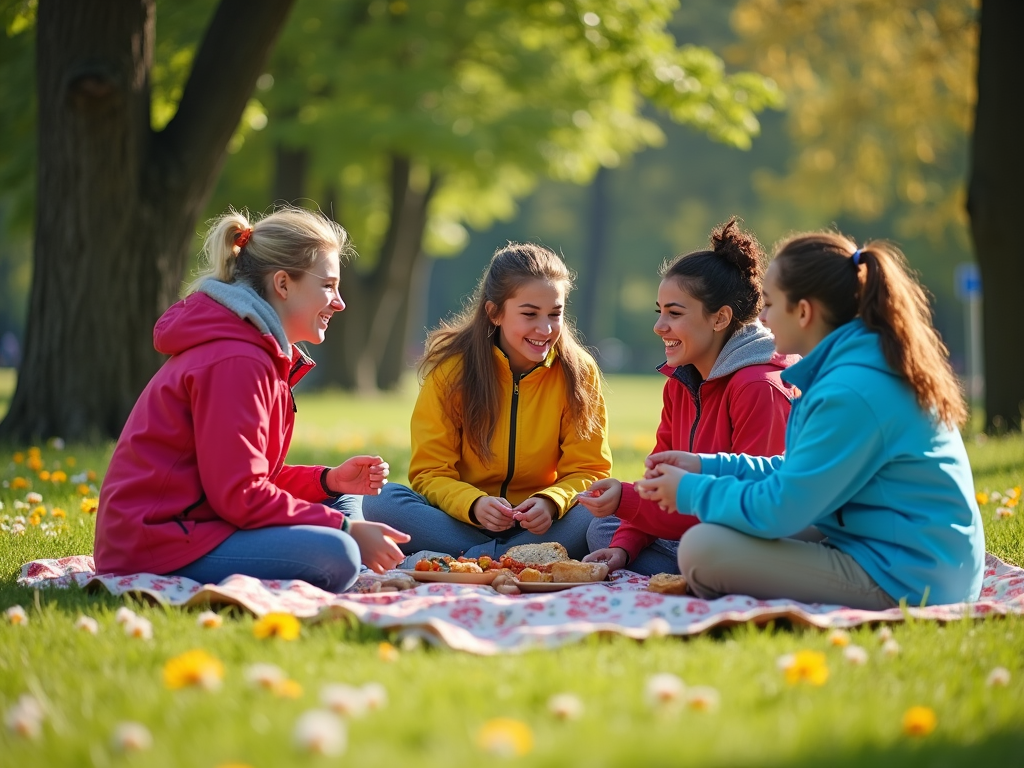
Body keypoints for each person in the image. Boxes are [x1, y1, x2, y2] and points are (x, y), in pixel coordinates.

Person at [635, 231, 985, 608]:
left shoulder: (850, 390)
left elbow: (781, 509)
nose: (762, 318)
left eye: (769, 304)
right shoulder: (852, 368)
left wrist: (689, 491)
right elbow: (799, 471)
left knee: (703, 549)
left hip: (913, 579)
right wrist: (706, 465)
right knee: (720, 529)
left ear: (803, 312)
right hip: (902, 554)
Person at [94, 207, 409, 592]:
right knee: (339, 552)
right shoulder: (237, 360)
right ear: (283, 284)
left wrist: (329, 481)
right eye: (328, 286)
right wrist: (347, 530)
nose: (339, 302)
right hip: (157, 544)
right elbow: (241, 496)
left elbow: (249, 477)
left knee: (343, 500)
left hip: (205, 525)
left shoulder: (256, 351)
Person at [363, 242, 612, 560]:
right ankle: (515, 557)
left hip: (541, 527)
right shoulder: (451, 370)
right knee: (380, 500)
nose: (545, 328)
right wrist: (473, 504)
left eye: (555, 313)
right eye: (529, 314)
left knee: (604, 510)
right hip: (458, 521)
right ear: (494, 312)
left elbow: (590, 469)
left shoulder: (578, 371)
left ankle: (477, 557)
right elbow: (430, 472)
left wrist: (551, 501)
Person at [578, 219, 796, 575]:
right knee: (602, 530)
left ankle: (697, 571)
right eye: (659, 312)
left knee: (697, 541)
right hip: (695, 525)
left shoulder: (760, 387)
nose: (659, 326)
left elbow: (752, 506)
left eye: (674, 313)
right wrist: (623, 547)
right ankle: (672, 568)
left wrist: (628, 500)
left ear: (720, 318)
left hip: (746, 532)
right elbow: (655, 483)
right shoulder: (679, 382)